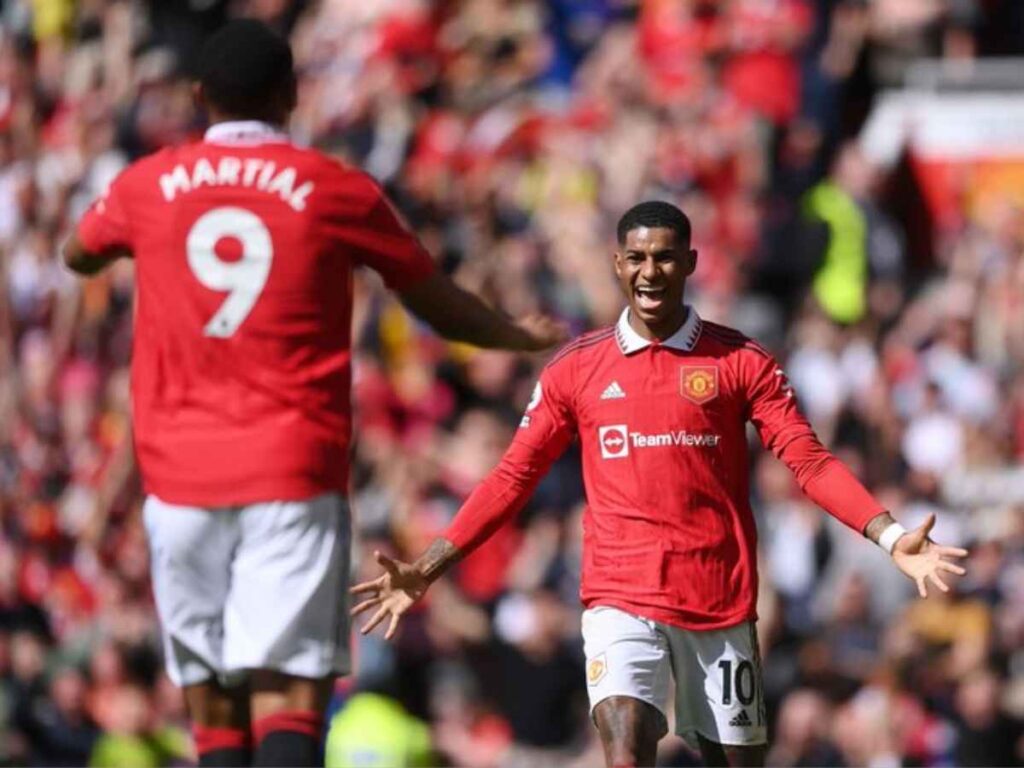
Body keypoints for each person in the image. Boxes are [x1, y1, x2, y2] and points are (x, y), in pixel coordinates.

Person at [62, 19, 564, 768]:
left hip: (179, 478)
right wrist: (515, 337)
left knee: (215, 708)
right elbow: (432, 299)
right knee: (289, 701)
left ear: (199, 98)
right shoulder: (334, 188)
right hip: (290, 472)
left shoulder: (149, 183)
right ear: (291, 95)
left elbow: (78, 251)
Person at [350, 200, 969, 768]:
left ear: (690, 262)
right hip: (622, 597)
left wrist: (889, 535)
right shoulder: (577, 369)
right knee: (626, 750)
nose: (651, 272)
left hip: (719, 603)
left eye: (666, 257)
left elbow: (807, 461)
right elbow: (513, 476)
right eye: (638, 258)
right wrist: (429, 566)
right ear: (618, 264)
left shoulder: (739, 362)